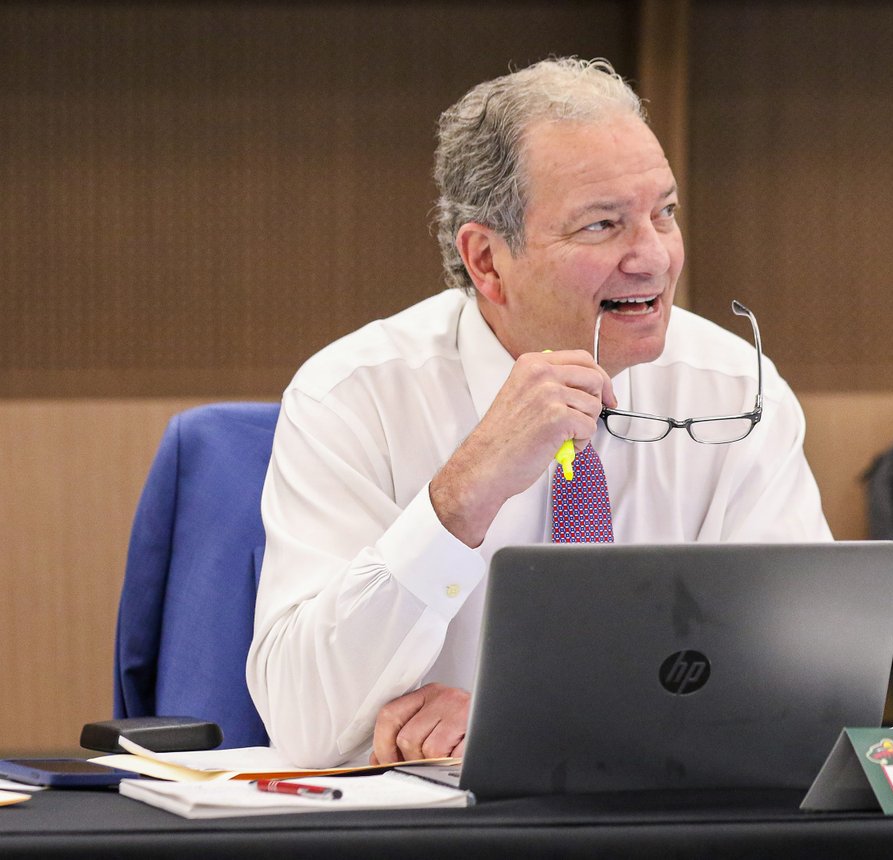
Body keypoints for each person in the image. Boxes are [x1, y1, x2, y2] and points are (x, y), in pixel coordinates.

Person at [246, 57, 832, 769]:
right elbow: (303, 722)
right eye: (601, 226)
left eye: (664, 213)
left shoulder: (735, 386)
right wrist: (460, 498)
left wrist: (513, 720)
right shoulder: (354, 395)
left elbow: (799, 693)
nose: (651, 257)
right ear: (487, 262)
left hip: (669, 823)